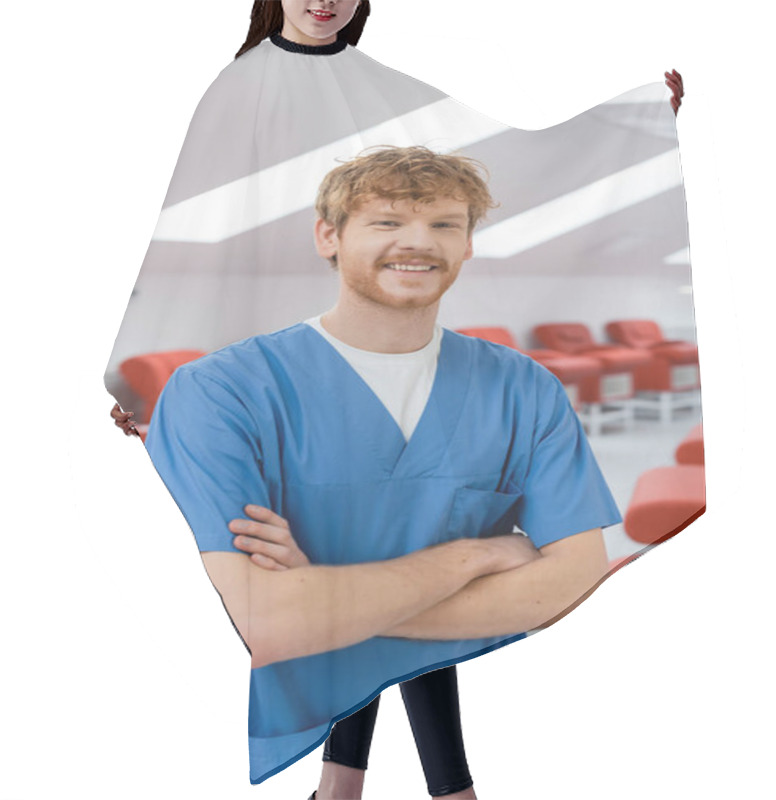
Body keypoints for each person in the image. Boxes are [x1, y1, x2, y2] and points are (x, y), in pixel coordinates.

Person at [139, 144, 622, 795]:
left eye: (445, 224)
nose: (418, 242)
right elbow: (272, 618)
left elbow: (575, 575)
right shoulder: (223, 391)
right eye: (387, 221)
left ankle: (352, 784)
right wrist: (474, 557)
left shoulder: (522, 389)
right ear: (329, 236)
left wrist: (333, 599)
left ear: (469, 244)